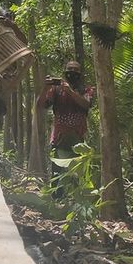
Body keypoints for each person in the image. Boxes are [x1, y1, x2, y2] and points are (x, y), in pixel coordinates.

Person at [37, 60, 94, 197]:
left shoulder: (87, 90)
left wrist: (69, 91)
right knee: (58, 172)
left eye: (75, 70)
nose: (72, 72)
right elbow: (40, 105)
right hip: (60, 137)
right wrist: (45, 88)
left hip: (78, 137)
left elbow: (86, 105)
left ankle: (76, 200)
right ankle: (57, 200)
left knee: (77, 173)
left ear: (80, 73)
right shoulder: (56, 90)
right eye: (69, 69)